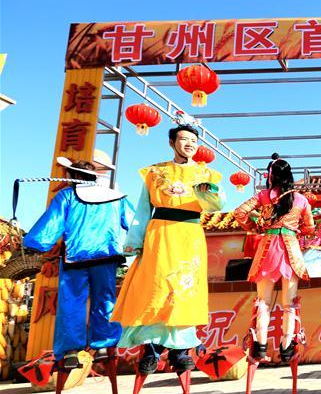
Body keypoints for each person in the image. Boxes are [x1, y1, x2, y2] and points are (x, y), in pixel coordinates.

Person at [111, 124, 224, 373]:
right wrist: (135, 242)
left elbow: (215, 205)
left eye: (194, 140)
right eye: (184, 139)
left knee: (185, 290)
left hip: (189, 236)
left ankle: (180, 350)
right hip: (159, 235)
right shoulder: (155, 173)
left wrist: (209, 191)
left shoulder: (206, 174)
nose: (190, 144)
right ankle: (152, 348)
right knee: (156, 288)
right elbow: (142, 209)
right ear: (172, 142)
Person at [24, 158, 133, 368]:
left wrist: (32, 243)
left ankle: (72, 350)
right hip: (106, 256)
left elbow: (50, 227)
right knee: (105, 300)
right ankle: (103, 345)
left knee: (72, 302)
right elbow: (134, 224)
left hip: (76, 258)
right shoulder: (116, 198)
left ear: (73, 176)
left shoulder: (67, 196)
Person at [233, 155, 315, 361]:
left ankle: (260, 346)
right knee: (290, 303)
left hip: (267, 249)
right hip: (290, 250)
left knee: (264, 301)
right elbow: (311, 228)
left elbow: (239, 212)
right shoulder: (301, 199)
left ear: (272, 177)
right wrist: (297, 230)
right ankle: (287, 348)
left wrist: (255, 226)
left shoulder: (263, 196)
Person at [299, 191, 321, 278]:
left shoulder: (319, 215)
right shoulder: (301, 217)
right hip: (303, 251)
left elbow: (313, 227)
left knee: (315, 274)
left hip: (315, 251)